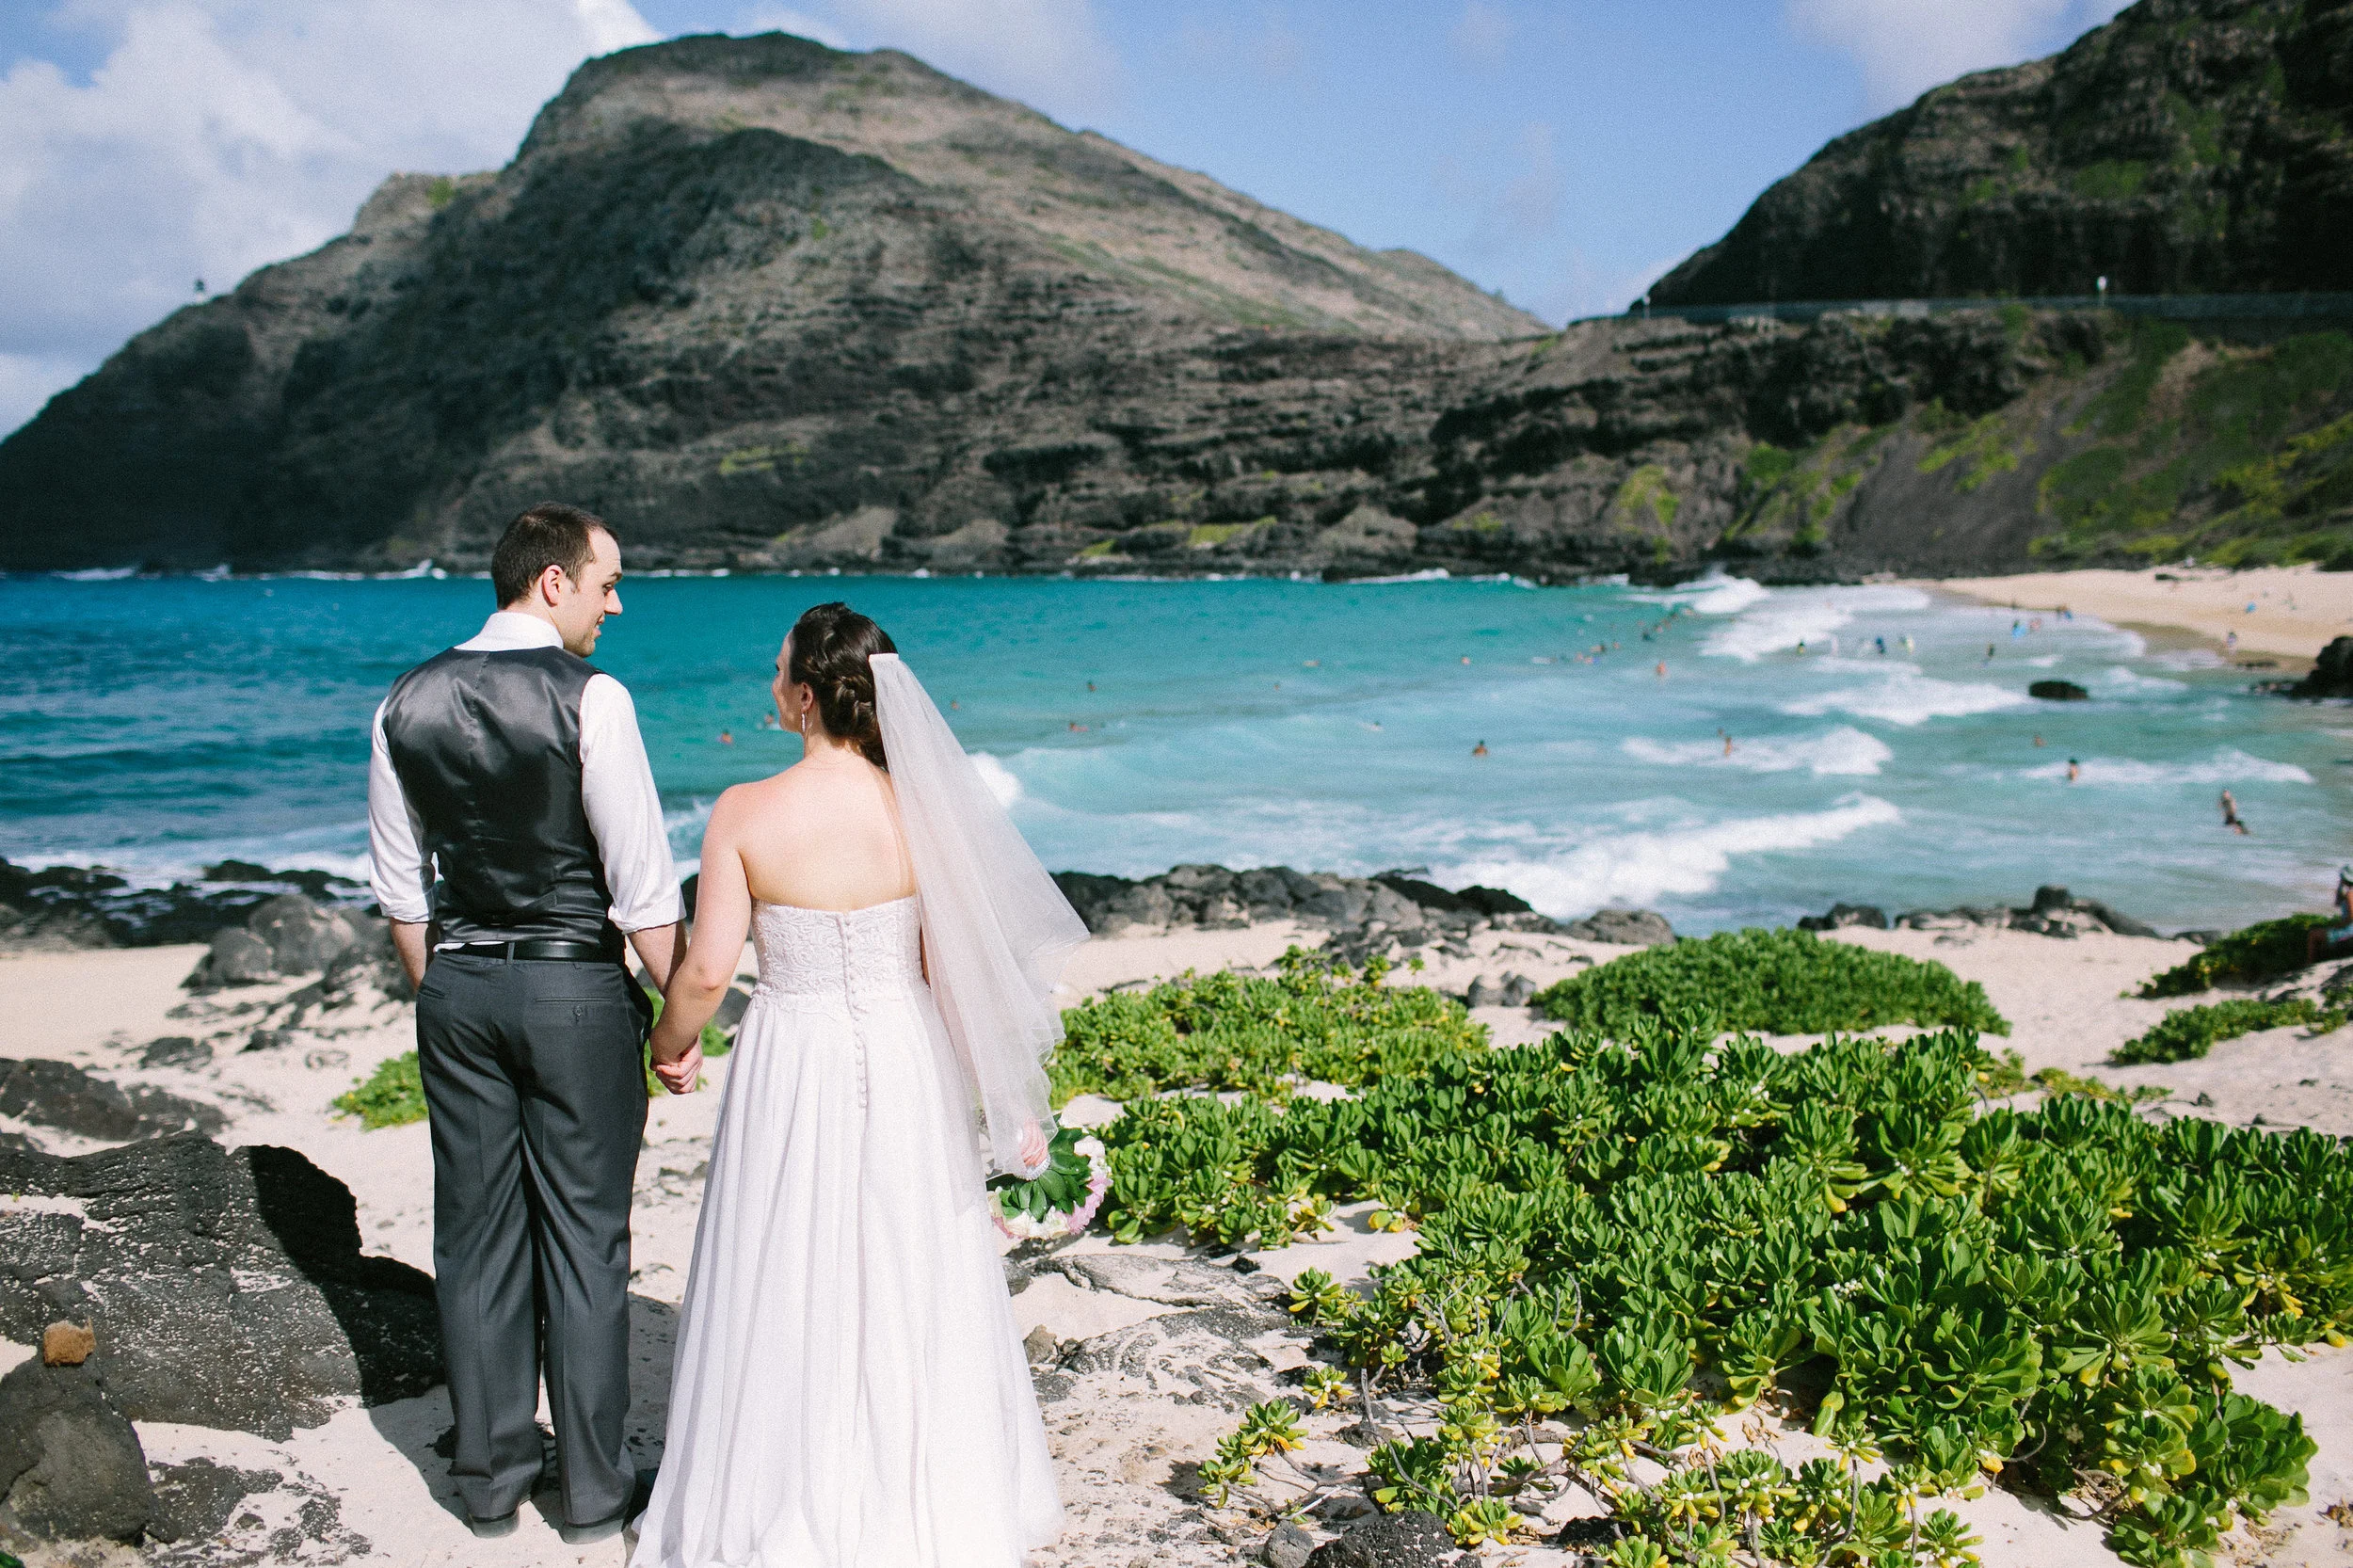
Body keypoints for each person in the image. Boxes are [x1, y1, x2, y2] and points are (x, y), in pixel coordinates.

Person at [630, 603, 1079, 1568]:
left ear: (801, 697)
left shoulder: (744, 810)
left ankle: (788, 1488)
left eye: (775, 665)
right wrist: (1006, 1103)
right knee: (909, 1259)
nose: (769, 681)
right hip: (904, 1046)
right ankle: (932, 1491)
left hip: (794, 1051)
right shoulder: (919, 807)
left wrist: (668, 1043)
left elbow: (706, 972)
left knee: (785, 1257)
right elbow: (954, 967)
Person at [367, 504, 684, 1544]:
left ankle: (490, 1476)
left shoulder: (400, 700)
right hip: (572, 990)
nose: (617, 603)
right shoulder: (593, 698)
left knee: (473, 1237)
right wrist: (679, 1022)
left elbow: (402, 894)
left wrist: (451, 990)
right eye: (606, 583)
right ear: (552, 582)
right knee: (586, 1239)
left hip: (457, 986)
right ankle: (593, 1492)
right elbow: (640, 890)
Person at [2310, 867, 2353, 963]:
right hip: (2349, 930)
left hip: (2349, 932)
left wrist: (2339, 926)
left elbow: (2351, 916)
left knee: (2313, 934)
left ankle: (2309, 963)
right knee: (2323, 935)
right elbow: (2337, 902)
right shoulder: (2349, 893)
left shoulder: (2350, 894)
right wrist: (2340, 887)